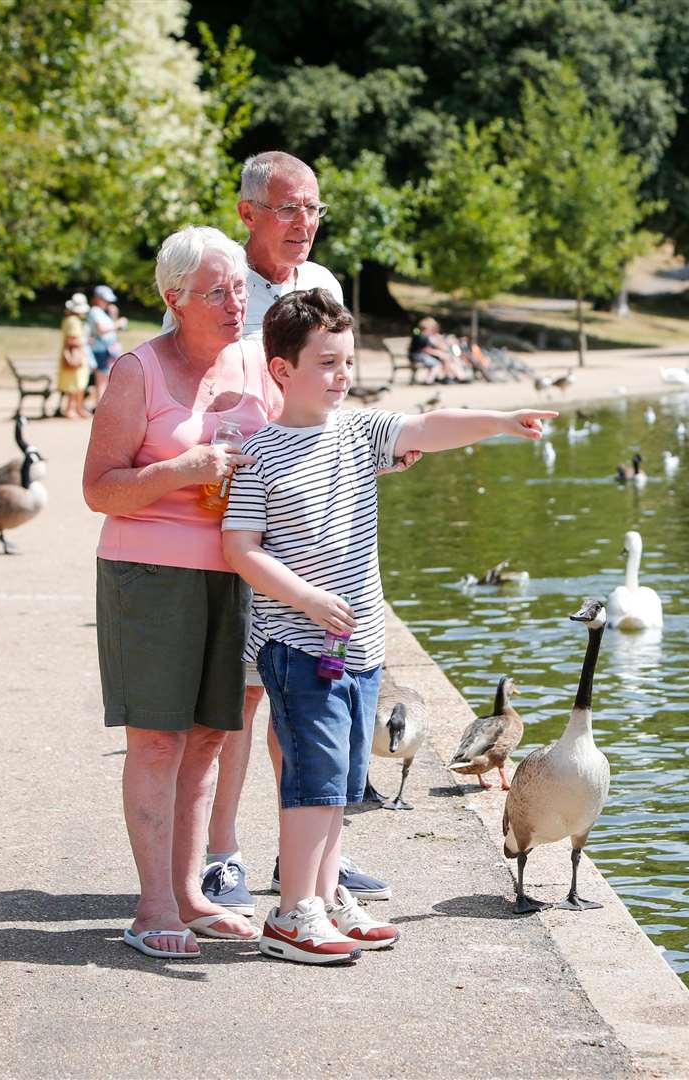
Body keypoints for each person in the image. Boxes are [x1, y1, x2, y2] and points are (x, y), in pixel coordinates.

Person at [221, 288, 556, 963]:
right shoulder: (258, 455)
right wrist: (309, 600)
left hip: (361, 647)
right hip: (298, 646)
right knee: (311, 783)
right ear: (281, 371)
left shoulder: (357, 431)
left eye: (347, 361)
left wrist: (498, 420)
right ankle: (293, 916)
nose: (343, 375)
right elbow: (241, 549)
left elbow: (431, 426)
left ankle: (325, 895)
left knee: (340, 785)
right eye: (326, 363)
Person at [195, 151, 393, 918]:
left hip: (315, 522)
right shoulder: (221, 284)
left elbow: (335, 393)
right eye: (287, 209)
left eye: (313, 209)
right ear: (248, 213)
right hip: (238, 510)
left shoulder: (324, 288)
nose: (303, 224)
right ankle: (222, 856)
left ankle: (310, 859)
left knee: (309, 692)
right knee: (240, 697)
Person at [82, 225, 274, 959]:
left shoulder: (251, 363)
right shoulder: (139, 371)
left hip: (233, 571)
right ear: (174, 298)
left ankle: (191, 892)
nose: (234, 303)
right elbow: (98, 489)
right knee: (159, 740)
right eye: (218, 291)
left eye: (239, 290)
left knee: (208, 739)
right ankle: (152, 905)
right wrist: (182, 469)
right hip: (150, 575)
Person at [87, 285, 126, 404]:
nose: (108, 303)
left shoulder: (102, 312)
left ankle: (103, 405)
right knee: (101, 381)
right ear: (99, 299)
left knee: (106, 380)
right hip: (101, 351)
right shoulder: (95, 311)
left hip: (107, 350)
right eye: (105, 300)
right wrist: (118, 323)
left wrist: (114, 316)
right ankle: (100, 406)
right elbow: (101, 329)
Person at [58, 293, 91, 419]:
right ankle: (71, 409)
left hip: (76, 356)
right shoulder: (73, 322)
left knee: (78, 384)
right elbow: (71, 340)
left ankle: (78, 408)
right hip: (75, 356)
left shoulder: (69, 320)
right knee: (75, 384)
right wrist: (86, 341)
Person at [408, 317, 471, 384]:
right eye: (431, 328)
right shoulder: (422, 337)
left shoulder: (426, 336)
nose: (433, 330)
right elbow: (425, 349)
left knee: (448, 359)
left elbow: (439, 347)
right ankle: (430, 380)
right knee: (438, 363)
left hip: (422, 355)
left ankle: (454, 376)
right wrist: (437, 352)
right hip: (418, 356)